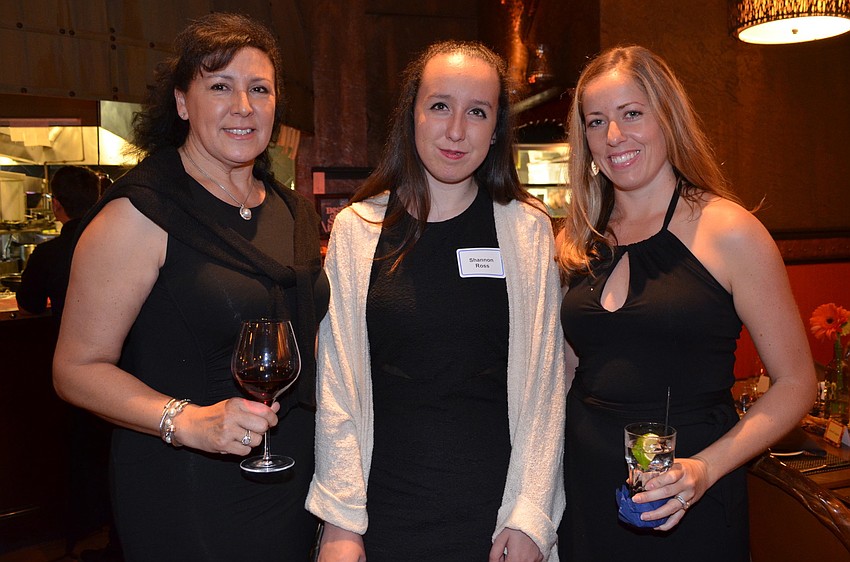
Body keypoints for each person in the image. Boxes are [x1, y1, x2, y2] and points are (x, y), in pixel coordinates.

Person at [52, 12, 329, 562]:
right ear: (182, 103)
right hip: (187, 486)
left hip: (296, 477)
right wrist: (186, 421)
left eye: (259, 89)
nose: (243, 107)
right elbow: (75, 369)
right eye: (220, 87)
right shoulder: (140, 213)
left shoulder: (294, 213)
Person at [306, 40, 566, 562]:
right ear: (412, 115)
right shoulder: (358, 230)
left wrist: (532, 517)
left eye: (477, 112)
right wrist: (340, 522)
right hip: (382, 516)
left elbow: (545, 384)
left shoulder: (527, 230)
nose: (456, 130)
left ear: (495, 130)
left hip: (498, 521)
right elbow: (335, 383)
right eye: (440, 106)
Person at [555, 45, 816, 561]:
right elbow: (565, 374)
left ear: (667, 117)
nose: (613, 137)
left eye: (632, 114)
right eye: (596, 121)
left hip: (689, 497)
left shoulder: (730, 231)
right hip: (584, 493)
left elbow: (796, 384)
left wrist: (706, 469)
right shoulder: (577, 238)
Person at [16, 165, 100, 320]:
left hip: (69, 340)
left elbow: (29, 308)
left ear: (56, 204)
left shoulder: (47, 254)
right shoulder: (119, 244)